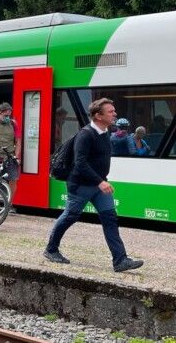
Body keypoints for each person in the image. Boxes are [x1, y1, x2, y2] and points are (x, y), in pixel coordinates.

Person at [44, 98, 144, 273]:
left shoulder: (105, 132)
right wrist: (100, 181)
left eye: (114, 111)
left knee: (110, 219)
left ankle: (120, 260)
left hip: (99, 186)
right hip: (81, 185)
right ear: (98, 116)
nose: (115, 114)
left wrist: (101, 181)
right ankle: (51, 249)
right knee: (70, 216)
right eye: (110, 111)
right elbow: (80, 163)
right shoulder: (86, 135)